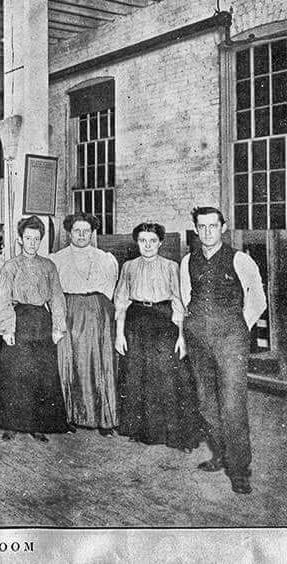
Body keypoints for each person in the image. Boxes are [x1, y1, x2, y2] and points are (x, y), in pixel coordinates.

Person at [181, 206, 266, 495]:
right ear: (195, 229)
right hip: (198, 338)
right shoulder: (187, 261)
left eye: (212, 226)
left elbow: (258, 298)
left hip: (231, 339)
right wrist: (189, 329)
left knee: (232, 405)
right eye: (201, 227)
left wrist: (241, 326)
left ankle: (240, 470)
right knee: (206, 403)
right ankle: (220, 455)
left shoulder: (240, 259)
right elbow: (184, 298)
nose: (207, 232)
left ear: (223, 227)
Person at [114, 222, 200, 452]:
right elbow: (121, 300)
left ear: (160, 243)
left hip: (163, 321)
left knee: (167, 376)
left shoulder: (172, 267)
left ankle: (170, 432)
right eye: (143, 241)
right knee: (136, 375)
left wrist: (181, 336)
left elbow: (178, 303)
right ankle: (139, 430)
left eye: (153, 241)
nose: (148, 245)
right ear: (137, 242)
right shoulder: (129, 267)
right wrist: (119, 333)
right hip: (136, 321)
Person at [0, 216, 69, 443]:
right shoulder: (10, 266)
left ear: (41, 240)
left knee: (42, 375)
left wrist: (57, 327)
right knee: (15, 374)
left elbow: (57, 298)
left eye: (36, 238)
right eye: (28, 238)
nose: (32, 242)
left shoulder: (49, 266)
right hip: (19, 320)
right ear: (20, 240)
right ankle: (12, 424)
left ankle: (37, 425)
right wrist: (6, 329)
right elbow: (3, 299)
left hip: (42, 323)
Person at [49, 212, 118, 436]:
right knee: (69, 362)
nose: (81, 235)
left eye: (86, 231)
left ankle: (103, 419)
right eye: (77, 230)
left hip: (97, 312)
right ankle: (70, 417)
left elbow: (110, 288)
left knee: (99, 363)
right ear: (69, 232)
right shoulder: (57, 259)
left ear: (92, 232)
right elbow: (52, 293)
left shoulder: (104, 258)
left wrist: (97, 309)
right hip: (68, 311)